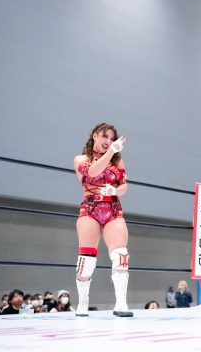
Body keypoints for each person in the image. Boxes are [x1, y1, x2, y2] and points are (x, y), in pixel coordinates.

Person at [73, 123, 132, 317]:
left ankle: (121, 304)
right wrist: (111, 151)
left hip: (112, 209)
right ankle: (83, 303)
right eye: (105, 136)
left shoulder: (117, 160)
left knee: (121, 255)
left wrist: (114, 190)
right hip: (90, 209)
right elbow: (92, 172)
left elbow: (124, 186)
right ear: (94, 136)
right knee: (86, 260)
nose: (108, 141)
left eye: (112, 138)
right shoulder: (81, 159)